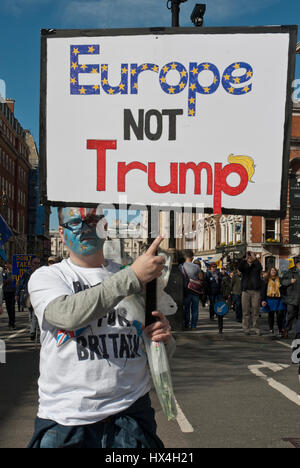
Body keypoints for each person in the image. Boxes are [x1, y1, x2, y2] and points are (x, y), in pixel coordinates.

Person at [27, 207, 174, 449]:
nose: (84, 228)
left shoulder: (135, 278)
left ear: (104, 227)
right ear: (62, 235)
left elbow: (157, 351)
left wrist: (164, 339)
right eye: (75, 223)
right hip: (67, 421)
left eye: (91, 220)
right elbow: (66, 315)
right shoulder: (48, 277)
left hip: (130, 419)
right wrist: (133, 277)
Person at [16, 256, 41, 340]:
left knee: (34, 314)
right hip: (29, 296)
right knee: (31, 314)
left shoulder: (42, 273)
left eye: (38, 263)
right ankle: (33, 328)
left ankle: (32, 331)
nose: (36, 265)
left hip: (39, 296)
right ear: (31, 264)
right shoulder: (27, 273)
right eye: (35, 263)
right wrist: (17, 294)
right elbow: (20, 283)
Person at [238, 252, 262, 336]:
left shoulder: (256, 265)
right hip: (246, 291)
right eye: (249, 257)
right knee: (245, 311)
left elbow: (260, 267)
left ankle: (256, 328)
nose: (250, 258)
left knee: (256, 311)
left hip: (256, 291)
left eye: (251, 257)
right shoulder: (244, 266)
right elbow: (239, 268)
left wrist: (255, 258)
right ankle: (246, 328)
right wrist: (244, 259)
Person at [180, 250, 202, 329]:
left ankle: (186, 324)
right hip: (195, 290)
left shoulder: (181, 266)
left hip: (186, 290)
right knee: (195, 309)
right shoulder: (196, 267)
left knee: (186, 309)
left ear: (185, 257)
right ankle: (193, 326)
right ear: (192, 257)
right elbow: (200, 277)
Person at [261, 267, 285, 337]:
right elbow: (263, 291)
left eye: (274, 270)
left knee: (280, 314)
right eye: (272, 270)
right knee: (271, 314)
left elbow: (283, 290)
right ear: (269, 272)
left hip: (278, 299)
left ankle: (280, 329)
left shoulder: (280, 279)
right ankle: (271, 328)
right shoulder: (266, 280)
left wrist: (281, 287)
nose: (273, 271)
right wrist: (263, 300)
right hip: (270, 299)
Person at [281, 259, 300, 339]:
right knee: (290, 316)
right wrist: (290, 281)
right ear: (297, 264)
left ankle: (298, 333)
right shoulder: (290, 272)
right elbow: (283, 282)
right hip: (292, 298)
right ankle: (286, 330)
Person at [2, 263, 16, 330]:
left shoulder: (14, 273)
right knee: (8, 308)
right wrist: (7, 280)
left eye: (9, 265)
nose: (7, 266)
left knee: (12, 308)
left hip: (13, 292)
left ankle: (12, 323)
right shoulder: (4, 273)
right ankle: (10, 321)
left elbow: (17, 282)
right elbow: (3, 282)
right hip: (6, 292)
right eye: (6, 265)